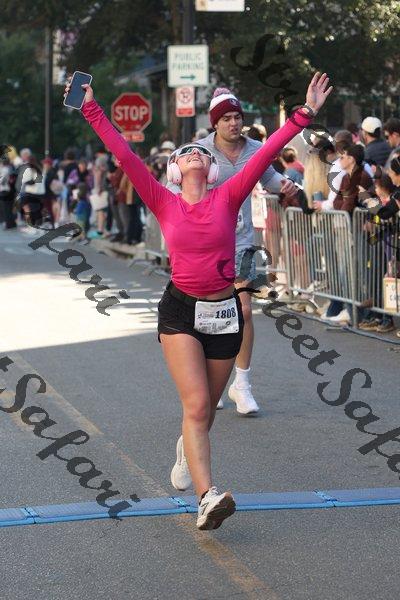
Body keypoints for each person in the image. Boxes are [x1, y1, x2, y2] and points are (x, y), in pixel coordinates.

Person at [66, 71, 332, 530]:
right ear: (175, 168)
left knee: (205, 410)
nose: (195, 153)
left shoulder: (227, 196)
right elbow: (123, 153)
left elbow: (265, 153)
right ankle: (207, 498)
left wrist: (304, 113)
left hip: (224, 312)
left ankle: (186, 449)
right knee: (196, 407)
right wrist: (91, 106)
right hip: (182, 312)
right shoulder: (163, 201)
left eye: (200, 153)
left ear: (209, 169)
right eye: (186, 152)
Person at [169, 87, 298, 415]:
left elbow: (270, 178)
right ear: (215, 123)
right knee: (209, 311)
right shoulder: (199, 152)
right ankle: (212, 376)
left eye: (237, 117)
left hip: (243, 242)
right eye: (226, 118)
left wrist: (285, 186)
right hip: (208, 245)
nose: (233, 123)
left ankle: (242, 383)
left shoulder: (256, 149)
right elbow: (174, 189)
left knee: (245, 310)